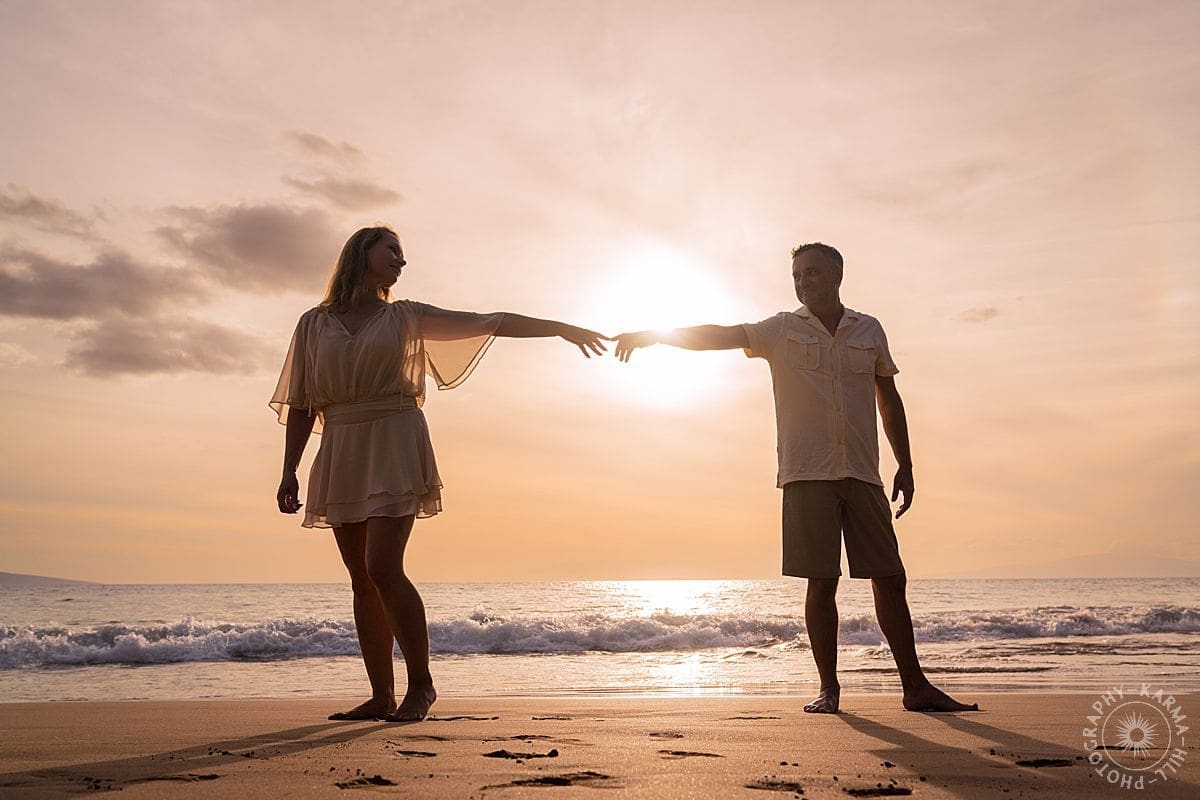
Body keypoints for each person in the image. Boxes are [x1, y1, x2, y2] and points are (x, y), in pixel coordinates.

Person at [613, 242, 976, 713]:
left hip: (864, 473)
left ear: (837, 274)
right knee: (821, 582)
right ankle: (829, 689)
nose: (803, 282)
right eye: (797, 275)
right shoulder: (781, 329)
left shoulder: (868, 329)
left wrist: (905, 462)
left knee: (890, 578)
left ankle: (915, 687)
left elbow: (888, 397)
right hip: (807, 474)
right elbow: (721, 334)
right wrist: (656, 335)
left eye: (812, 273)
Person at [271, 226, 608, 722]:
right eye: (393, 252)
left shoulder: (406, 317)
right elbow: (301, 403)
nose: (401, 262)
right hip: (341, 442)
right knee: (361, 579)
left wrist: (559, 326)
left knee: (383, 566)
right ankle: (381, 696)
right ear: (361, 253)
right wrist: (289, 472)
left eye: (403, 256)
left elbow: (488, 321)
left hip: (394, 437)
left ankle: (421, 687)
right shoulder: (312, 324)